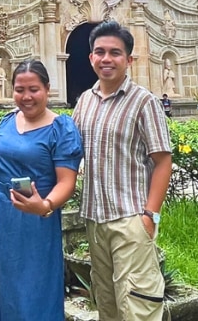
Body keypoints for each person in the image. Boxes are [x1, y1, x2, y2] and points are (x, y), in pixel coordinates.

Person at [73, 21, 174, 321]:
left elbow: (163, 161)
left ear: (129, 60)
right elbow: (72, 154)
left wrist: (150, 216)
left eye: (115, 53)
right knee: (107, 305)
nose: (107, 59)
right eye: (100, 52)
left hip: (130, 219)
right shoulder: (84, 102)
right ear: (90, 58)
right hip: (94, 220)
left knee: (137, 308)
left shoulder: (144, 102)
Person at [0, 60, 84, 321]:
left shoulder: (61, 128)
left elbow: (66, 181)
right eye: (20, 89)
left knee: (30, 290)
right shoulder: (8, 121)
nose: (26, 96)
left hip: (36, 218)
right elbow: (0, 163)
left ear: (47, 88)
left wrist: (44, 206)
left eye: (33, 89)